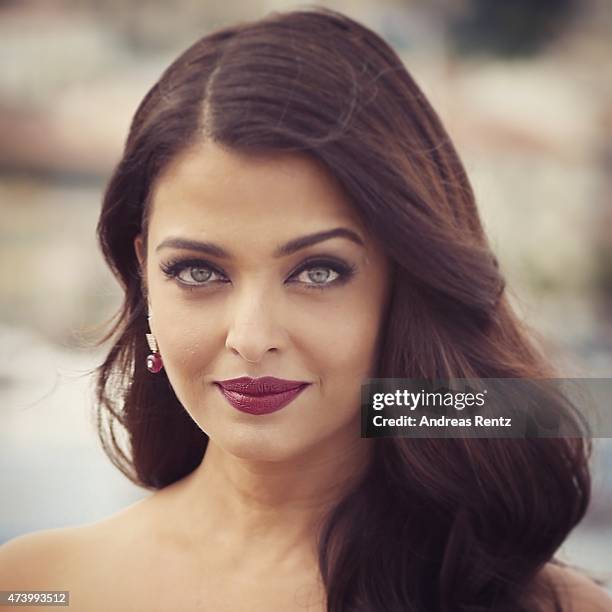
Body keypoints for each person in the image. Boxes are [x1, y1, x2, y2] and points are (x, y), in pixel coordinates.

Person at [1, 7, 611, 611]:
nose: (252, 336)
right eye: (198, 272)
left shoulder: (548, 606)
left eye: (319, 272)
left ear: (406, 282)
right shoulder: (37, 587)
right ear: (143, 276)